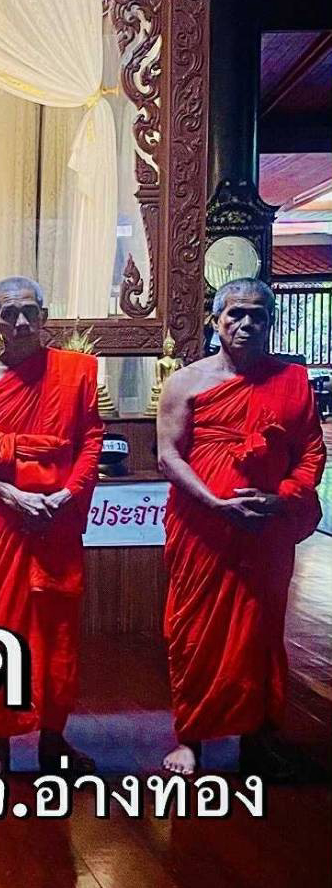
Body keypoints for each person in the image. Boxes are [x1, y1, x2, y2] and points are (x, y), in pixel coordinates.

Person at [157, 279, 326, 777]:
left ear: (270, 323)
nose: (247, 323)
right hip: (202, 528)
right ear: (216, 321)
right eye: (236, 314)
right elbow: (169, 456)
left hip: (264, 531)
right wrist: (213, 502)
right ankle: (190, 738)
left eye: (258, 315)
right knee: (192, 629)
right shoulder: (185, 382)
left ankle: (258, 736)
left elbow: (310, 453)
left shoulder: (292, 380)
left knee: (260, 631)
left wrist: (283, 498)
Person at [0, 276, 103, 776]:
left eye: (29, 312)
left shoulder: (76, 372)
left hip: (55, 518)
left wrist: (68, 494)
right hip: (2, 518)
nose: (20, 322)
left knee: (56, 633)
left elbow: (90, 440)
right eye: (9, 313)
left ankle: (53, 740)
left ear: (44, 316)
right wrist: (9, 494)